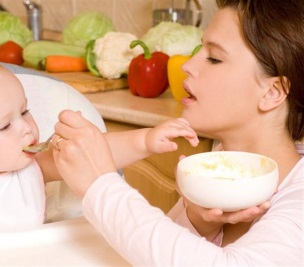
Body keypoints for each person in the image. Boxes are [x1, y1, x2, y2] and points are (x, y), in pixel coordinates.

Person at [51, 0, 304, 266]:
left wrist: (100, 185)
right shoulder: (221, 167)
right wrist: (198, 222)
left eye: (214, 58)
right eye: (199, 50)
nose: (187, 65)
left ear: (272, 92)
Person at [0, 57, 201, 266]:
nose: (27, 128)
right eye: (5, 126)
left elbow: (96, 153)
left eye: (25, 111)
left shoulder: (34, 165)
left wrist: (146, 140)